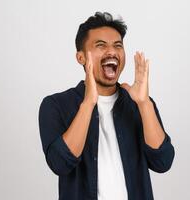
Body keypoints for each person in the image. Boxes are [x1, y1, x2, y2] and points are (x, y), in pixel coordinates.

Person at [38, 11, 175, 200]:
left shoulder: (139, 104)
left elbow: (163, 162)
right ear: (81, 57)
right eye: (100, 45)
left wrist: (144, 104)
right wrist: (88, 103)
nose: (112, 52)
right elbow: (60, 164)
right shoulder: (55, 105)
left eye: (117, 45)